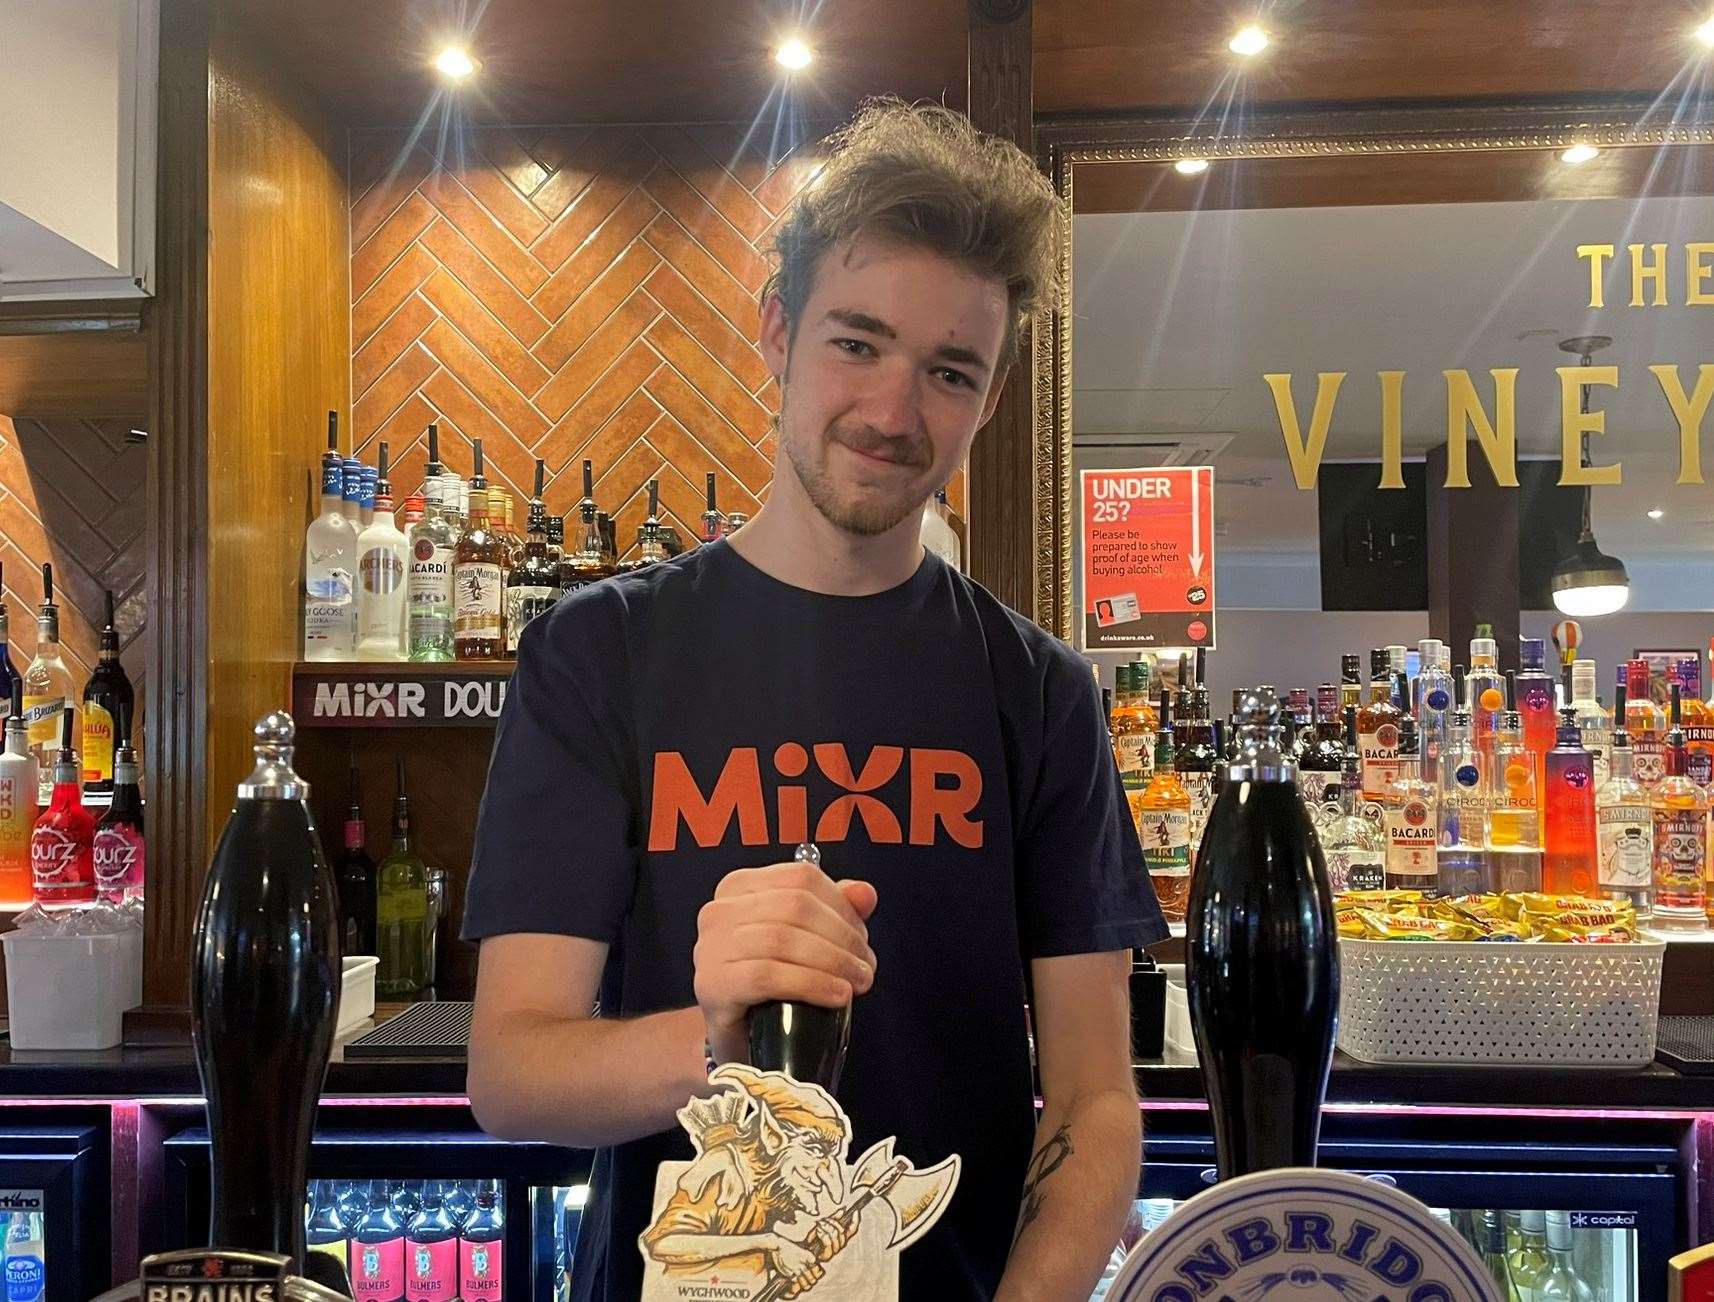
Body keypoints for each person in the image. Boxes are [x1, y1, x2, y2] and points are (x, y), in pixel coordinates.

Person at [463, 98, 1169, 1301]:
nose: (894, 414)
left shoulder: (1037, 691)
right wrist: (713, 1038)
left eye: (949, 371)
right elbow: (512, 1073)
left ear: (988, 400)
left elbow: (1098, 1098)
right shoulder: (602, 652)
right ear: (778, 333)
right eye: (856, 342)